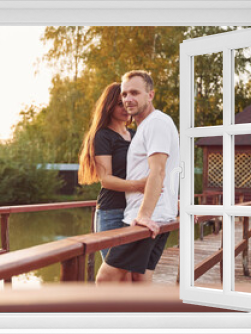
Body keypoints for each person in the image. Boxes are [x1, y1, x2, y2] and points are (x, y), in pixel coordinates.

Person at [96, 70, 180, 284]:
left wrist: (143, 215)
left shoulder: (155, 124)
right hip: (156, 215)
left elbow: (159, 171)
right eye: (124, 95)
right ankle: (143, 318)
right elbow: (170, 169)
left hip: (145, 218)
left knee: (105, 279)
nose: (127, 99)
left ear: (150, 95)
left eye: (134, 92)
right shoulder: (147, 126)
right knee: (140, 280)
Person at [78, 82, 147, 281]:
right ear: (109, 106)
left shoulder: (137, 135)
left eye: (127, 102)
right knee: (116, 277)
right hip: (112, 213)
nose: (125, 108)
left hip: (137, 212)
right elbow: (106, 180)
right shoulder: (102, 136)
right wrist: (139, 186)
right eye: (119, 103)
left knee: (134, 276)